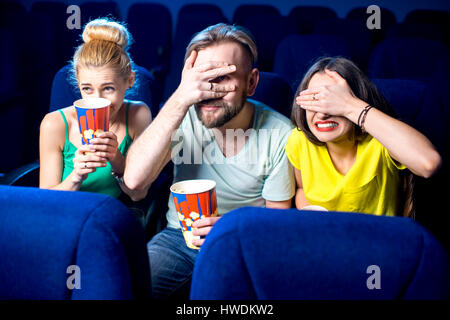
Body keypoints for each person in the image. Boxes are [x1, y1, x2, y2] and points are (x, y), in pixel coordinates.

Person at [124, 23, 295, 298]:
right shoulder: (181, 115)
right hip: (178, 238)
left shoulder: (281, 135)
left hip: (243, 242)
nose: (210, 90)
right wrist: (181, 96)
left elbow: (275, 224)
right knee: (126, 288)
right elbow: (133, 182)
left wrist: (231, 226)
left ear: (251, 82)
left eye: (223, 77)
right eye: (202, 77)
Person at [285, 57, 442, 216]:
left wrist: (349, 106)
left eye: (333, 101)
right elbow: (302, 189)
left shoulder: (381, 141)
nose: (323, 113)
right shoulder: (299, 140)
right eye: (315, 99)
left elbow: (429, 164)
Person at [39, 18, 152, 202]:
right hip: (68, 215)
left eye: (108, 88)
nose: (98, 101)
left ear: (129, 81)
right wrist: (76, 177)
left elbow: (138, 194)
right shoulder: (55, 124)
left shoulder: (138, 115)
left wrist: (117, 160)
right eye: (87, 89)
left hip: (114, 216)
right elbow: (46, 202)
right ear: (78, 82)